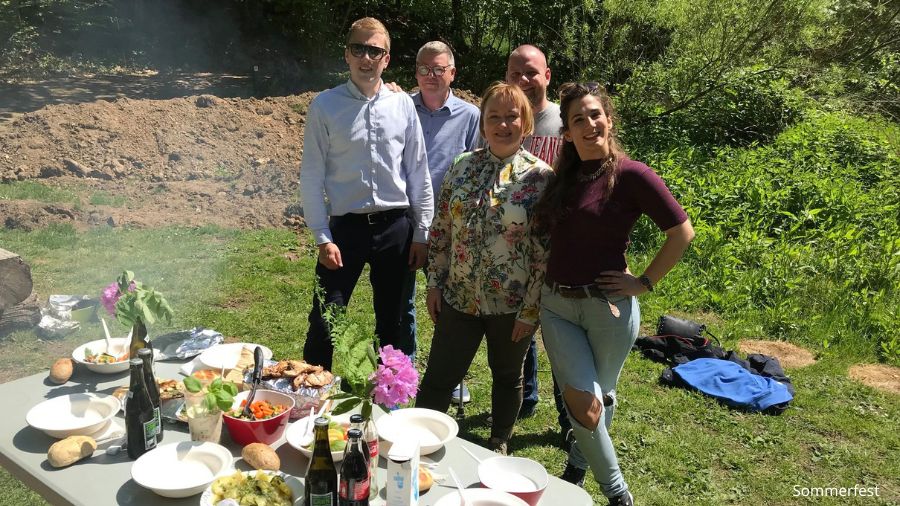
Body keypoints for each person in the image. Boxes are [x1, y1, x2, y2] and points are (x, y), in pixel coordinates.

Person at [533, 82, 695, 505]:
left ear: (609, 119)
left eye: (595, 115)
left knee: (599, 398)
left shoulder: (632, 175)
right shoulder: (561, 179)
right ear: (566, 132)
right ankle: (619, 494)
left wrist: (644, 281)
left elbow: (681, 233)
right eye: (577, 119)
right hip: (556, 306)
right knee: (584, 401)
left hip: (608, 310)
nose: (589, 125)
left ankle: (577, 463)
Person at [416, 82, 553, 455]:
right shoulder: (463, 166)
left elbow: (544, 254)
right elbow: (442, 229)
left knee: (508, 376)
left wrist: (530, 311)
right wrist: (433, 284)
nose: (503, 124)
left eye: (512, 116)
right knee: (439, 376)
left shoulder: (541, 178)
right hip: (458, 295)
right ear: (483, 122)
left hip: (510, 302)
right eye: (494, 116)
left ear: (525, 123)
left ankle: (499, 442)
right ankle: (422, 438)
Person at [299, 17, 433, 371]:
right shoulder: (325, 106)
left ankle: (388, 403)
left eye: (375, 51)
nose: (366, 57)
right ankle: (314, 400)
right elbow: (311, 175)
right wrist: (321, 236)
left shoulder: (402, 105)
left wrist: (422, 233)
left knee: (392, 323)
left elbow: (417, 170)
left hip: (395, 229)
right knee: (327, 317)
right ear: (347, 54)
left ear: (386, 59)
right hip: (345, 231)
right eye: (359, 48)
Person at [398, 41, 480, 364]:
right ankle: (404, 367)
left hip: (450, 226)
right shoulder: (400, 106)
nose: (431, 76)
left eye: (439, 69)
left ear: (452, 73)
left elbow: (475, 170)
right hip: (405, 220)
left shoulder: (471, 116)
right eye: (424, 69)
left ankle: (449, 373)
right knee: (401, 300)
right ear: (416, 72)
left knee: (449, 303)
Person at [505, 44, 565, 425]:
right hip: (516, 246)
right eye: (515, 73)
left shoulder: (565, 121)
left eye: (531, 72)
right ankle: (526, 395)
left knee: (561, 334)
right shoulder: (506, 120)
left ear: (547, 75)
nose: (524, 80)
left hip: (561, 245)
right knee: (518, 322)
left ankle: (568, 414)